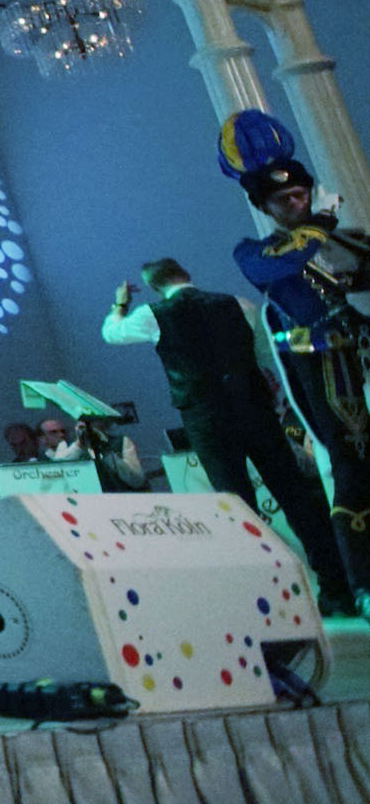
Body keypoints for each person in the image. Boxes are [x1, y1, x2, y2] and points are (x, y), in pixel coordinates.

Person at [102, 256, 353, 614]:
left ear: (156, 288)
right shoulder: (239, 304)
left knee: (236, 507)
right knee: (295, 495)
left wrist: (120, 304)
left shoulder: (152, 314)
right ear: (187, 273)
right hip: (253, 408)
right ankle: (337, 588)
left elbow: (112, 333)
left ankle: (269, 600)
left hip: (206, 418)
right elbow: (262, 356)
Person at [221, 109, 370, 610]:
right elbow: (285, 263)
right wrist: (322, 225)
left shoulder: (340, 239)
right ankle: (362, 581)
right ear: (264, 206)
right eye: (284, 199)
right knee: (352, 461)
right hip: (323, 365)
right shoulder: (254, 251)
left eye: (301, 195)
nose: (296, 203)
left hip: (361, 356)